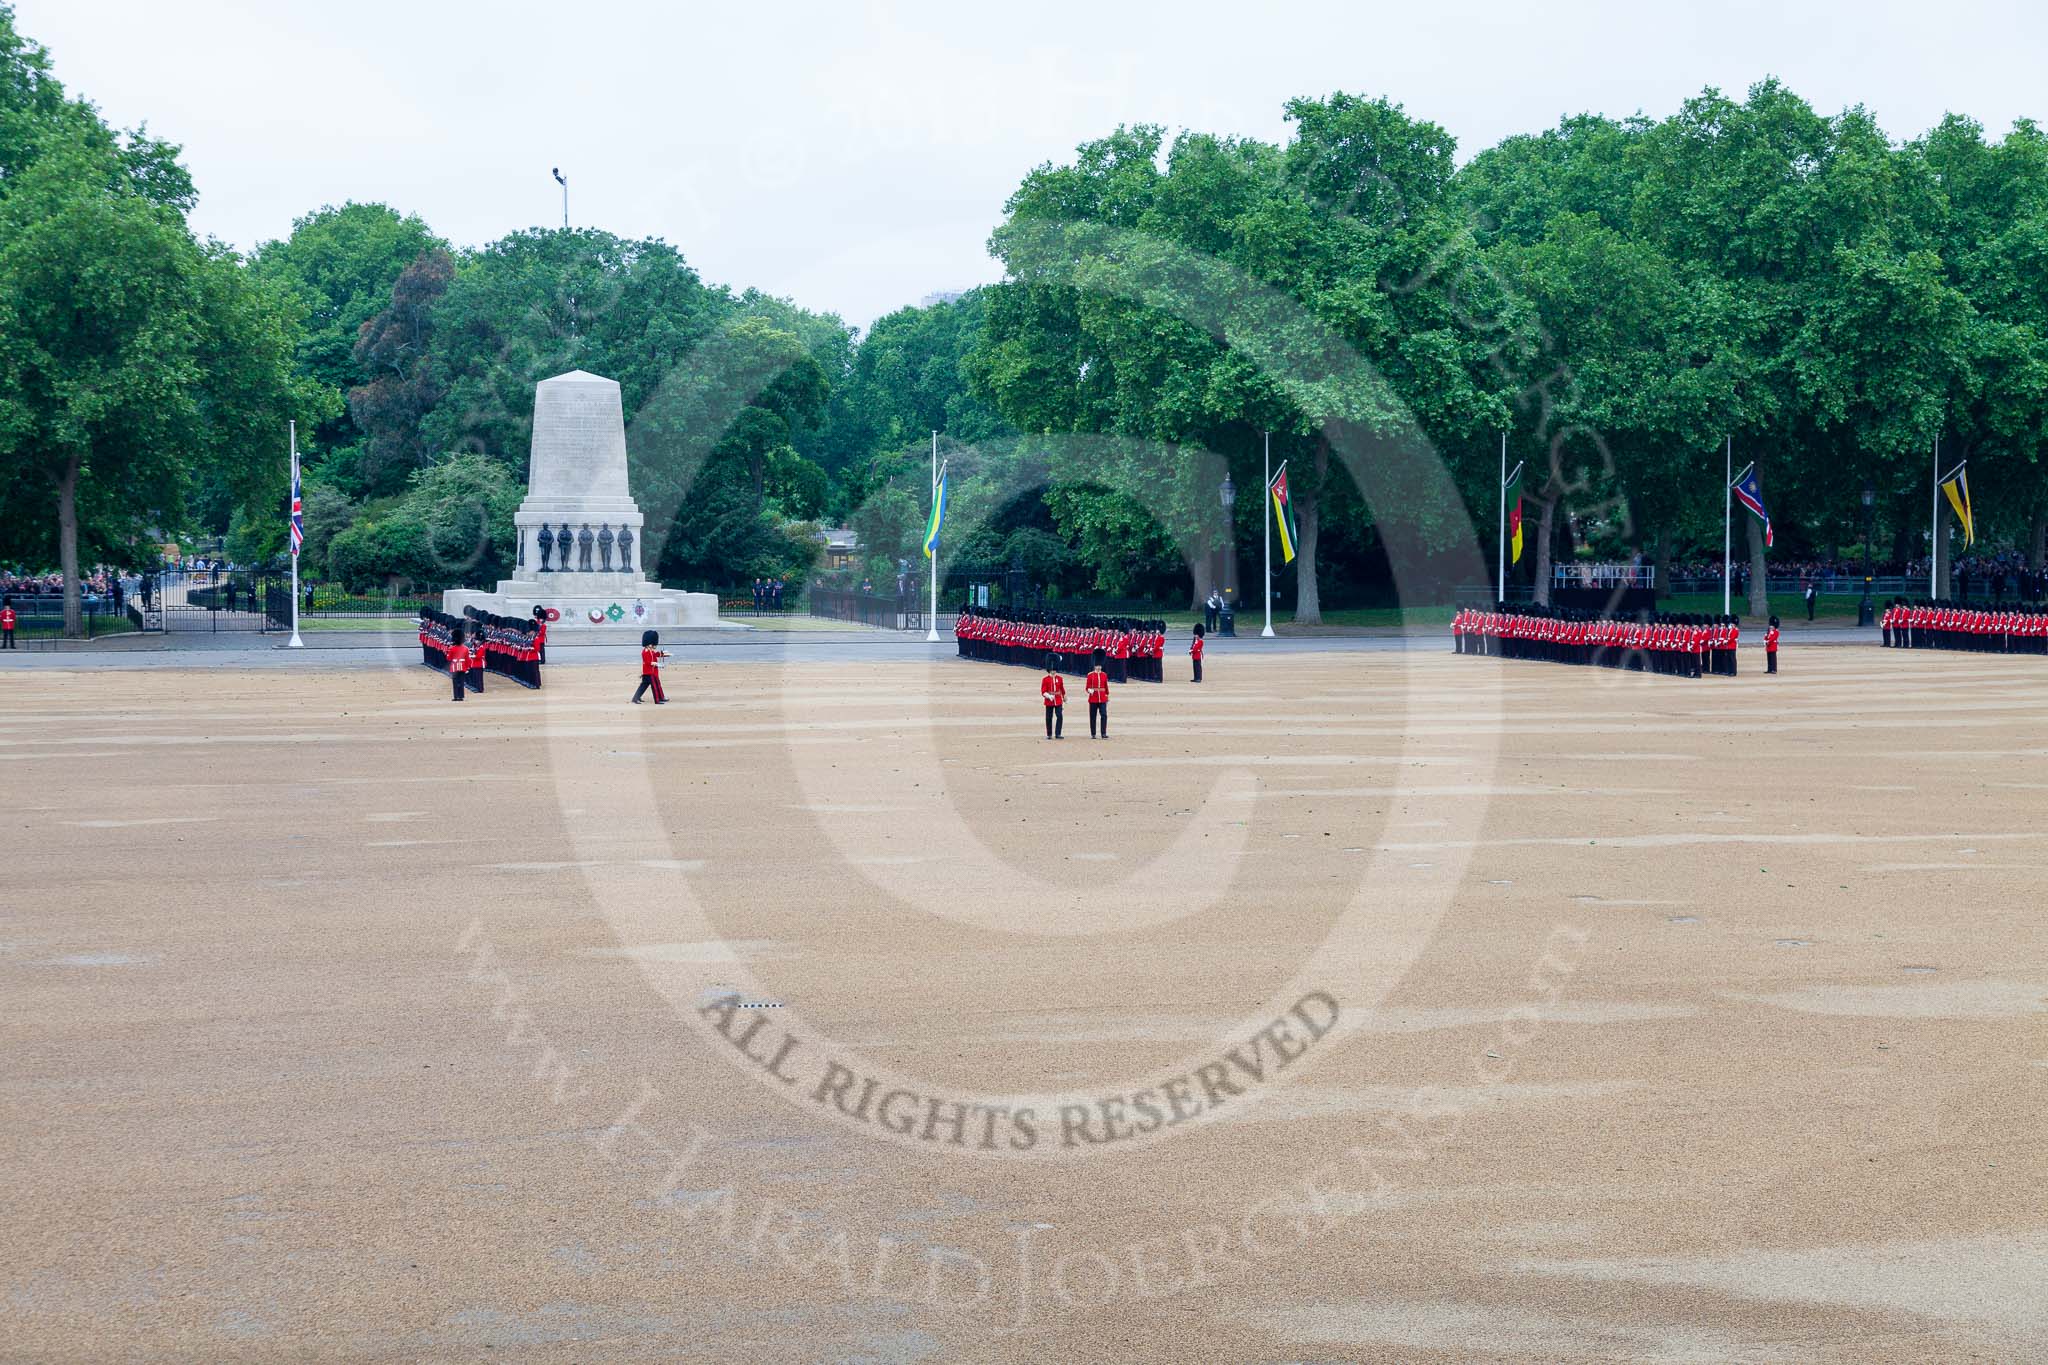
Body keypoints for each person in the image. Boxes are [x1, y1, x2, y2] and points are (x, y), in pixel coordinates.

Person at [633, 629, 669, 704]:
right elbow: (647, 662)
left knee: (652, 686)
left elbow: (656, 655)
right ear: (649, 643)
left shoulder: (650, 650)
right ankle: (657, 700)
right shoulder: (645, 652)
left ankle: (636, 698)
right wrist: (655, 664)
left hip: (653, 672)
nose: (654, 646)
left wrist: (664, 654)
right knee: (654, 687)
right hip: (648, 673)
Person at [1085, 649, 1110, 739]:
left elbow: (1106, 686)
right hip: (1093, 698)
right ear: (1094, 666)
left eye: (1099, 666)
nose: (1098, 667)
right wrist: (1089, 690)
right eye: (1097, 666)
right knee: (1093, 716)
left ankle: (1103, 733)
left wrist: (1107, 695)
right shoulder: (1090, 675)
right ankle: (1093, 733)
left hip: (1102, 698)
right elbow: (1087, 687)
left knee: (1104, 715)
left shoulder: (1104, 675)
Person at [1040, 654, 1065, 739]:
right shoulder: (1045, 679)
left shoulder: (1060, 678)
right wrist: (1048, 696)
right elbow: (1043, 691)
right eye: (1051, 670)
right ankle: (1049, 734)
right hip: (1049, 700)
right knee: (1048, 718)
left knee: (1059, 716)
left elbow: (1062, 688)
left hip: (1058, 700)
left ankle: (1058, 733)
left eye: (1054, 670)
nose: (1053, 671)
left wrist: (1064, 696)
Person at [445, 631, 470, 702]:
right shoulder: (466, 648)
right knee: (461, 682)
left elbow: (448, 659)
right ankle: (461, 696)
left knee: (455, 682)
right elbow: (467, 659)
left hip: (454, 667)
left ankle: (456, 696)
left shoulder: (452, 648)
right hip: (462, 666)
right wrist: (467, 667)